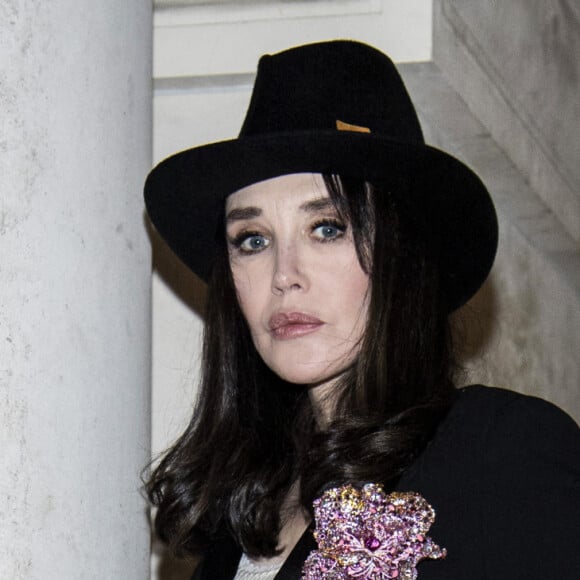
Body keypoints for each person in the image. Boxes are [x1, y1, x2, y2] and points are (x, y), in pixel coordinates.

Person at [144, 40, 580, 579]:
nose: (284, 276)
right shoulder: (233, 529)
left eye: (326, 228)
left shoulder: (501, 450)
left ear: (403, 256)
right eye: (252, 239)